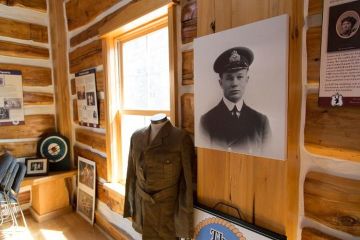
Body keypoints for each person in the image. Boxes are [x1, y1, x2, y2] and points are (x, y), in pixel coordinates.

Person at [200, 47, 271, 154]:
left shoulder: (261, 121)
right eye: (229, 78)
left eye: (240, 77)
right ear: (220, 83)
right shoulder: (206, 121)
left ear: (247, 80)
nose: (234, 83)